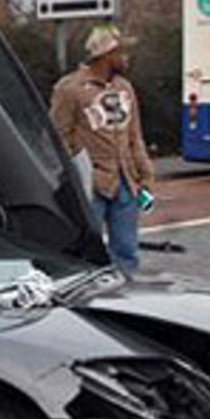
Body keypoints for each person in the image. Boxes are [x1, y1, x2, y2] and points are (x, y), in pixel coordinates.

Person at [50, 25, 154, 275]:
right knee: (86, 250)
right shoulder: (70, 89)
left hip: (125, 182)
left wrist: (145, 174)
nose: (126, 57)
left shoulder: (124, 88)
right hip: (91, 182)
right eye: (121, 51)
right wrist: (75, 170)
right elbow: (57, 135)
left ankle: (125, 298)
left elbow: (134, 135)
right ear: (106, 54)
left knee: (127, 250)